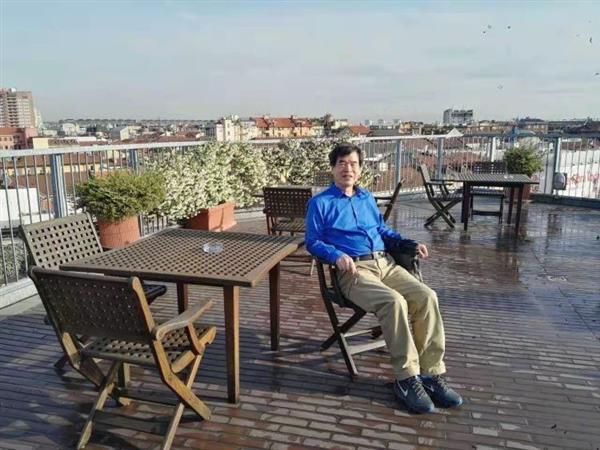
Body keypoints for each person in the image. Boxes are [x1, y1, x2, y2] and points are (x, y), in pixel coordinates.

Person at [305, 143, 462, 414]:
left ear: (360, 169)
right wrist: (335, 255)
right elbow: (312, 241)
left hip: (386, 265)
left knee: (427, 296)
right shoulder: (320, 203)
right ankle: (406, 379)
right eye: (342, 163)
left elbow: (381, 230)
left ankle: (431, 374)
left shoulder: (366, 198)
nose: (348, 168)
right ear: (332, 168)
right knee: (394, 302)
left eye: (353, 164)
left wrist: (408, 243)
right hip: (353, 271)